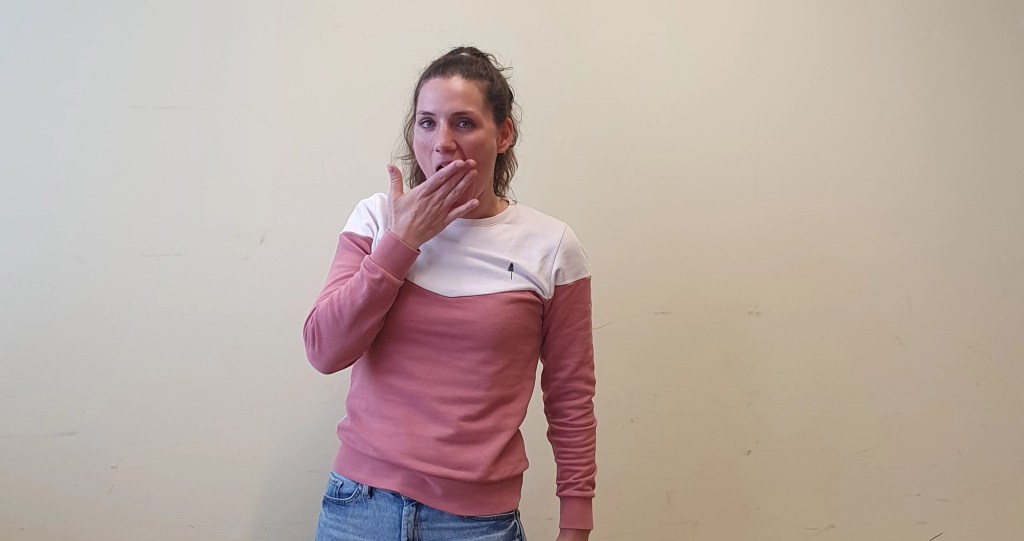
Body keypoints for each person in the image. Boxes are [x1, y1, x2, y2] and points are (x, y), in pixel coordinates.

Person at [303, 46, 596, 541]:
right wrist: (401, 242)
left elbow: (571, 395)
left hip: (477, 524)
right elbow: (324, 350)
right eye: (427, 123)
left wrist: (576, 523)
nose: (442, 143)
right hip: (358, 508)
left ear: (504, 134)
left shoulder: (551, 246)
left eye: (463, 123)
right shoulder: (375, 219)